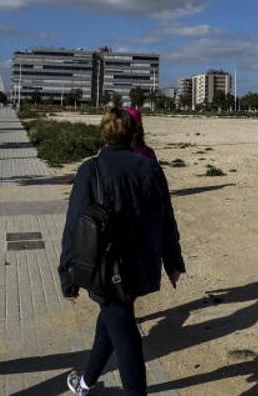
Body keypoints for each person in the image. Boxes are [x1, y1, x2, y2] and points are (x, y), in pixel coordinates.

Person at [61, 108, 184, 396]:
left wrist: (67, 275)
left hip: (106, 270)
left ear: (103, 134)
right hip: (141, 264)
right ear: (133, 134)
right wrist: (173, 261)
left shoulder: (90, 169)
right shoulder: (150, 167)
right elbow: (166, 217)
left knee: (126, 337)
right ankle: (85, 383)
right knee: (112, 321)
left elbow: (74, 226)